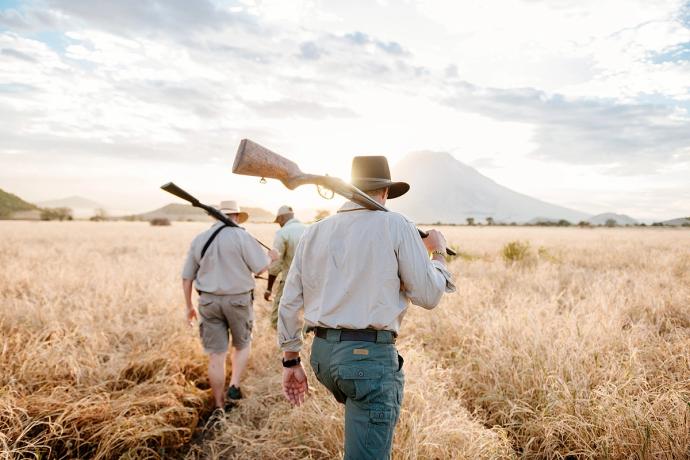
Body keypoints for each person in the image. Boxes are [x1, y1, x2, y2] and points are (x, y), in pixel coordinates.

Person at [277, 156, 456, 459]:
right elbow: (428, 295)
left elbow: (289, 301)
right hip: (366, 362)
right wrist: (437, 253)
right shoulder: (397, 224)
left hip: (323, 359)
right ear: (385, 193)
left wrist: (291, 361)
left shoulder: (314, 231)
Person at [182, 200, 275, 415]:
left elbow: (187, 278)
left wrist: (188, 307)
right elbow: (260, 267)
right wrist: (271, 258)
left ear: (215, 216)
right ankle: (234, 385)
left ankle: (218, 404)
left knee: (216, 355)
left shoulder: (200, 239)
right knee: (242, 345)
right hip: (239, 301)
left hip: (208, 302)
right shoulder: (243, 236)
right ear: (236, 216)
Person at [264, 205, 307, 329]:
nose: (279, 224)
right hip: (312, 282)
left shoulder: (282, 233)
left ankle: (282, 346)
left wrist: (268, 289)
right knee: (305, 318)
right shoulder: (309, 229)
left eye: (278, 222)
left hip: (290, 281)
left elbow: (276, 264)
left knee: (277, 319)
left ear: (281, 218)